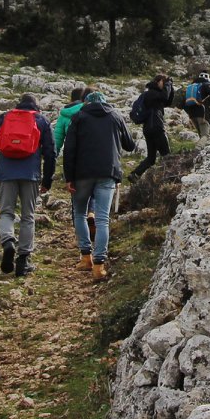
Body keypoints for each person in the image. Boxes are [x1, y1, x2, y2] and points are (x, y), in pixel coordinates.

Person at [62, 92, 135, 280]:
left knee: (79, 213)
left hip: (81, 174)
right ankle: (99, 266)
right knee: (103, 219)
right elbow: (129, 144)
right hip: (107, 173)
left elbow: (69, 149)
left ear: (86, 103)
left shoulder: (78, 117)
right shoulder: (115, 115)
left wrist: (68, 177)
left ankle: (86, 258)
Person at [0, 93, 55, 278]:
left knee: (6, 212)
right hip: (30, 174)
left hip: (6, 173)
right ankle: (23, 260)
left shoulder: (4, 118)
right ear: (36, 107)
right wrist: (47, 180)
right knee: (28, 216)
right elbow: (50, 153)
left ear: (18, 104)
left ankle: (8, 242)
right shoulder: (41, 120)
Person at [130, 74, 175, 177]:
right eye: (163, 83)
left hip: (148, 128)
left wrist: (170, 86)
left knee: (151, 158)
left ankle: (135, 175)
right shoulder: (152, 93)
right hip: (156, 127)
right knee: (167, 155)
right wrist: (167, 84)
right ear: (158, 82)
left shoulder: (153, 94)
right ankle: (169, 176)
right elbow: (164, 96)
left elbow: (168, 101)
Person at [54, 87, 89, 154]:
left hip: (72, 152)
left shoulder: (64, 114)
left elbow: (57, 140)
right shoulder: (88, 111)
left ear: (71, 98)